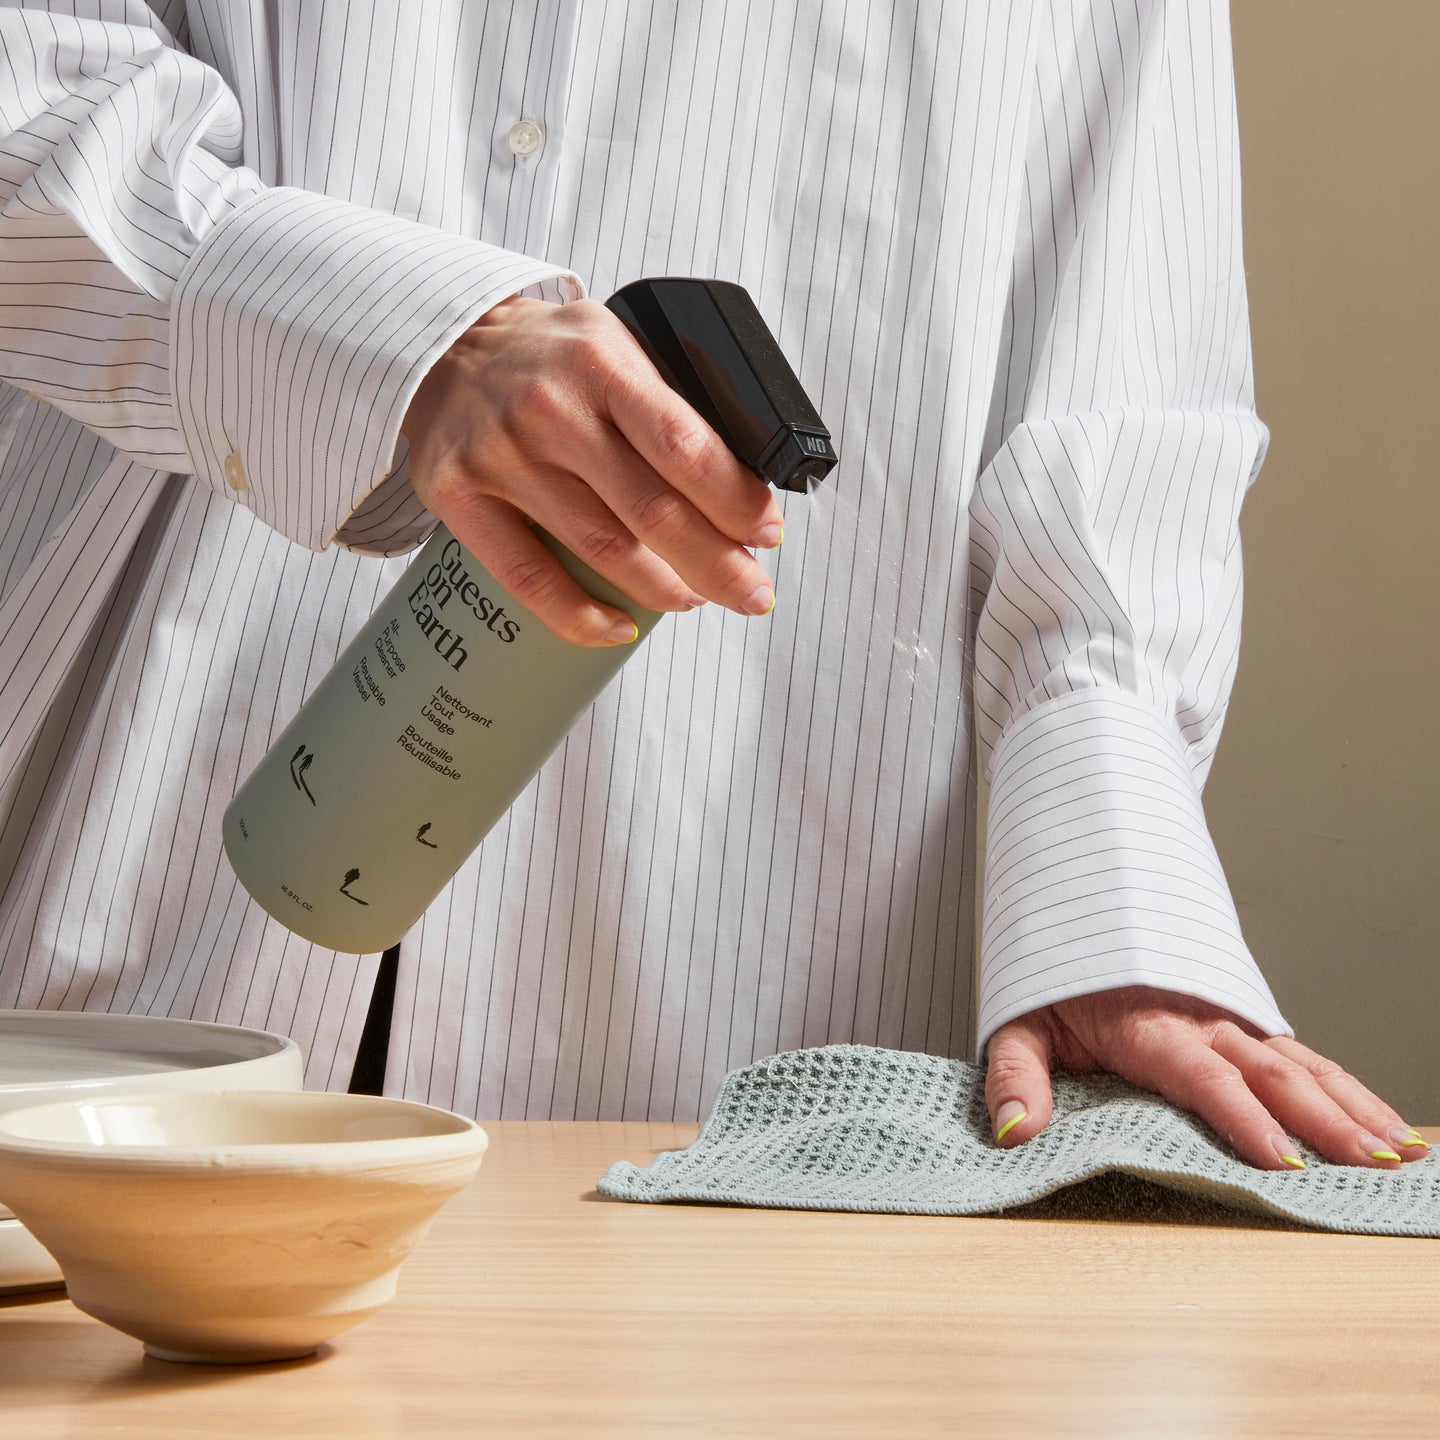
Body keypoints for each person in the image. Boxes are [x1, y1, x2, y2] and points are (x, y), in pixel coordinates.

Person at [0, 0, 1425, 1171]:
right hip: (119, 915)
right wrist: (391, 340)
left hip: (723, 1076)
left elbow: (1116, 415)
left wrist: (1111, 931)